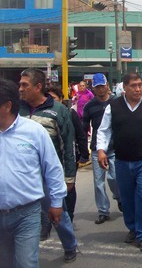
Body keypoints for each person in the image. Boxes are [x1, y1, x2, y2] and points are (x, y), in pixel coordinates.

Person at [0, 79, 67, 268]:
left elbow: (52, 168)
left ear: (6, 106)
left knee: (26, 263)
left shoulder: (33, 131)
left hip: (26, 214)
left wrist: (56, 203)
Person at [97, 73, 142, 252]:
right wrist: (101, 150)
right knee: (126, 198)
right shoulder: (114, 106)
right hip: (122, 161)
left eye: (139, 85)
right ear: (124, 88)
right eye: (133, 86)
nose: (137, 89)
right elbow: (104, 130)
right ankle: (133, 228)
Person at [19, 68, 79, 262]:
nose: (20, 89)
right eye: (20, 85)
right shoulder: (16, 110)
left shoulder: (59, 111)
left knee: (58, 215)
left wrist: (69, 177)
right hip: (23, 176)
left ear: (38, 87)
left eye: (24, 85)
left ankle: (70, 246)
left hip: (48, 176)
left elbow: (68, 146)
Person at [82, 73, 121, 225]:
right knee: (98, 183)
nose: (100, 89)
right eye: (97, 87)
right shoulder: (89, 106)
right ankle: (103, 211)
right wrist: (83, 150)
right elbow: (84, 128)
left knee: (114, 178)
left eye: (102, 86)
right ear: (93, 88)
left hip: (115, 148)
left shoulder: (117, 102)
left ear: (107, 86)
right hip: (98, 149)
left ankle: (119, 197)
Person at [47, 84, 87, 223]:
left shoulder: (70, 113)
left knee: (68, 186)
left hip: (68, 156)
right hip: (50, 159)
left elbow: (81, 135)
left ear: (61, 99)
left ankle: (68, 214)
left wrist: (84, 155)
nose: (50, 101)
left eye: (53, 98)